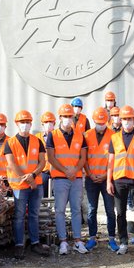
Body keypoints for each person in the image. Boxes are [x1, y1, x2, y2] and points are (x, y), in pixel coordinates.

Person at [5, 110, 49, 259]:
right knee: (19, 216)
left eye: (27, 122)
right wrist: (28, 179)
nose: (25, 124)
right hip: (20, 186)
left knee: (34, 215)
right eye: (22, 122)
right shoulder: (10, 143)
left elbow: (42, 162)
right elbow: (12, 164)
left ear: (31, 124)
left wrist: (33, 175)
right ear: (17, 124)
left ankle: (35, 243)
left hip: (36, 185)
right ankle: (19, 245)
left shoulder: (38, 141)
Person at [107, 105, 134, 256]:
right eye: (124, 119)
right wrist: (108, 181)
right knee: (120, 214)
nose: (126, 121)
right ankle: (123, 242)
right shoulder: (114, 138)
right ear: (120, 120)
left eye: (129, 119)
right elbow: (110, 162)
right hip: (119, 181)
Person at [46, 103, 88, 255]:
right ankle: (63, 241)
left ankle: (77, 240)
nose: (68, 119)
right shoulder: (53, 135)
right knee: (60, 210)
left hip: (76, 178)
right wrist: (66, 171)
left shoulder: (80, 135)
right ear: (60, 117)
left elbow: (83, 157)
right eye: (65, 116)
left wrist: (75, 170)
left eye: (70, 116)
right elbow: (51, 158)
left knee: (76, 210)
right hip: (60, 179)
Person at [84, 107, 118, 252]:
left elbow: (115, 159)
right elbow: (83, 158)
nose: (101, 125)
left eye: (103, 123)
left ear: (107, 121)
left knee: (110, 210)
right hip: (91, 178)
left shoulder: (113, 136)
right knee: (92, 209)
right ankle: (92, 238)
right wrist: (90, 174)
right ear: (94, 121)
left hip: (107, 179)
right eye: (98, 123)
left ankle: (112, 239)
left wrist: (106, 176)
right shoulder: (87, 135)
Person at [36, 111, 56, 198]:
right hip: (43, 171)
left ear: (54, 123)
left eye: (50, 122)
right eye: (46, 122)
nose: (48, 124)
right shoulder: (37, 137)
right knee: (42, 196)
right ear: (42, 124)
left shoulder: (58, 136)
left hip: (56, 171)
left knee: (57, 196)